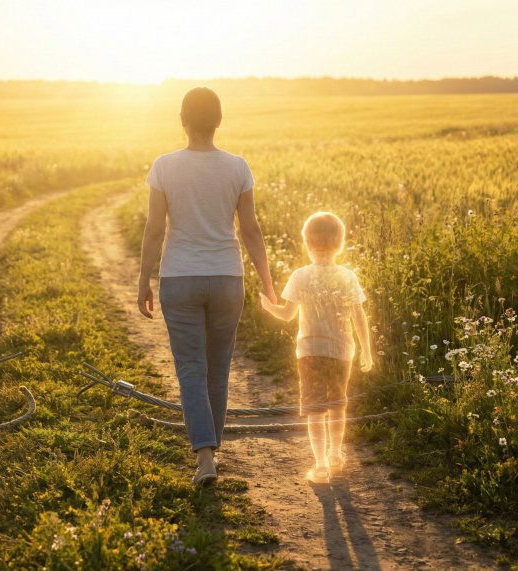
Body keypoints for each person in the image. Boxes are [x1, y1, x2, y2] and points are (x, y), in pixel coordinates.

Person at [138, 87, 277, 487]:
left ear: (183, 120)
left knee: (191, 371)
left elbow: (154, 229)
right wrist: (268, 284)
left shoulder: (164, 166)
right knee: (218, 370)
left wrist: (144, 279)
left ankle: (204, 456)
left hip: (180, 278)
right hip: (228, 278)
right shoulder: (237, 167)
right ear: (218, 121)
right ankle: (210, 448)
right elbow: (250, 230)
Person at [259, 211, 373, 483]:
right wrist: (367, 351)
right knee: (337, 405)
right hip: (342, 353)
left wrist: (268, 306)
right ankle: (335, 453)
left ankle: (320, 464)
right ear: (341, 244)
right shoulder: (347, 277)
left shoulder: (300, 276)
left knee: (314, 409)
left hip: (309, 352)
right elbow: (359, 318)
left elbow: (287, 315)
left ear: (307, 243)